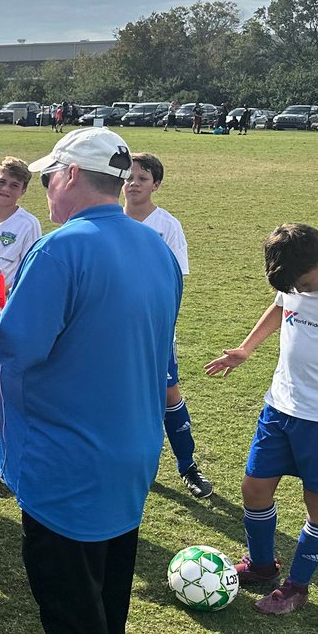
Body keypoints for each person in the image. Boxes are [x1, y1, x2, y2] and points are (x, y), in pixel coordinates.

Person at [0, 127, 180, 634]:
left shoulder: (60, 250)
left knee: (68, 600)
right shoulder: (155, 247)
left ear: (74, 177)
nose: (47, 187)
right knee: (107, 585)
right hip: (130, 449)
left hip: (65, 457)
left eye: (52, 175)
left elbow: (18, 343)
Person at [205, 224, 318, 616]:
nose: (300, 292)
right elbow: (281, 303)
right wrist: (247, 348)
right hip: (280, 405)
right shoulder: (295, 273)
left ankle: (297, 586)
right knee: (254, 488)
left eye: (304, 284)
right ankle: (262, 566)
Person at [123, 153, 212, 498]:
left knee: (167, 393)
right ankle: (129, 466)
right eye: (129, 177)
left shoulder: (167, 225)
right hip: (111, 330)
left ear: (156, 185)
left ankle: (187, 466)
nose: (133, 184)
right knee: (120, 396)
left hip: (154, 329)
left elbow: (175, 282)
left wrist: (161, 326)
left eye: (142, 178)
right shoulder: (110, 220)